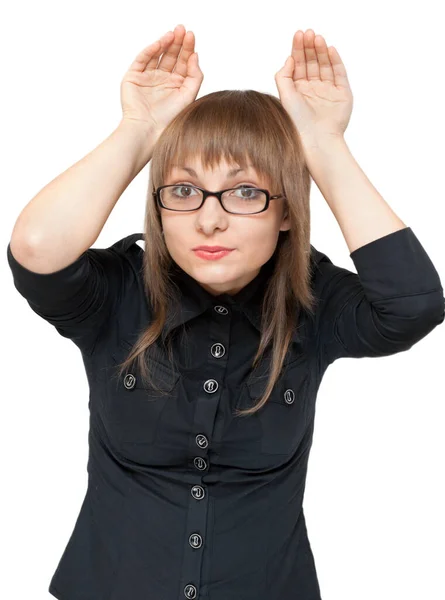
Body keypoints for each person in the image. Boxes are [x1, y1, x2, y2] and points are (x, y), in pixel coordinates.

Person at [6, 24, 444, 600]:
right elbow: (36, 250)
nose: (209, 220)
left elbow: (413, 305)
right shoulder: (115, 294)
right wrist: (141, 131)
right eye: (184, 192)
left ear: (285, 211)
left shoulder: (314, 300)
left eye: (245, 193)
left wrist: (322, 146)